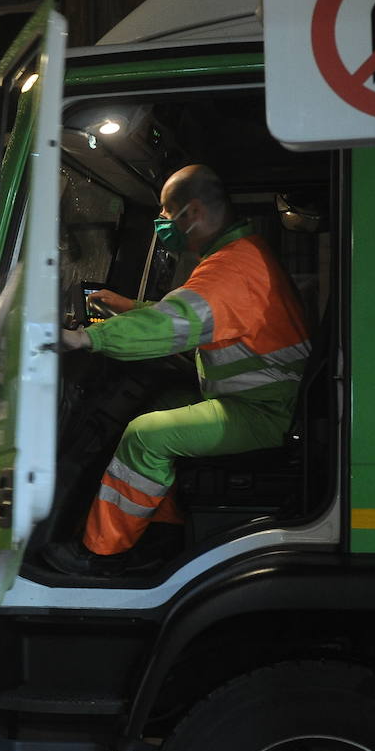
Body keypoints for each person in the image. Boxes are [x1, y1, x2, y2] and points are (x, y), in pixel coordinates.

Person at [44, 164, 311, 575]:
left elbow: (176, 324)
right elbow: (193, 314)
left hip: (265, 412)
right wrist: (127, 306)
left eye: (167, 213)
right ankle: (162, 531)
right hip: (265, 401)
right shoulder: (241, 255)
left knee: (145, 436)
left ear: (193, 213)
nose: (163, 223)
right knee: (168, 401)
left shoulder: (232, 268)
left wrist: (85, 339)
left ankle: (102, 555)